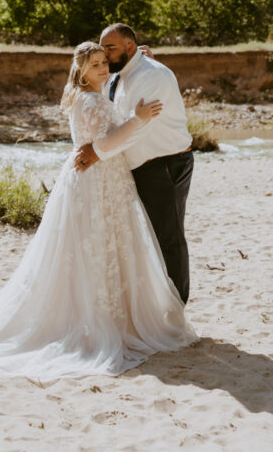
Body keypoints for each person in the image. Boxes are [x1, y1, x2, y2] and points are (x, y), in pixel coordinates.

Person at [0, 41, 195, 380]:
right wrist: (137, 120)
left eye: (105, 62)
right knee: (94, 247)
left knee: (108, 247)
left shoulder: (96, 94)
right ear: (80, 70)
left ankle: (116, 317)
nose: (103, 69)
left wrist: (139, 63)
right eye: (95, 65)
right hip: (96, 180)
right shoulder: (89, 100)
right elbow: (102, 146)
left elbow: (106, 127)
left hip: (107, 181)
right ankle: (97, 322)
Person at [75, 23, 194, 304]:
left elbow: (140, 127)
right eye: (103, 51)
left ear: (130, 47)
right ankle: (156, 304)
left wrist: (98, 152)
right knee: (146, 240)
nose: (106, 56)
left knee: (169, 238)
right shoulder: (121, 74)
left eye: (111, 49)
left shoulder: (152, 76)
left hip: (165, 165)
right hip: (139, 168)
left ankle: (177, 308)